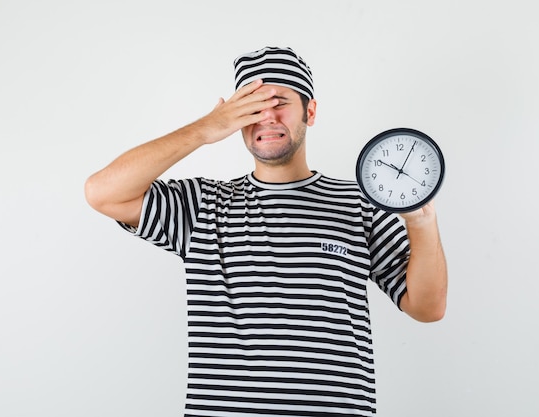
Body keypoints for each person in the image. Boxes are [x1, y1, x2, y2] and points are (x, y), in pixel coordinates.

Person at [85, 46, 447, 417]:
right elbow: (103, 192)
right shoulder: (202, 205)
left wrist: (420, 220)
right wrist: (204, 129)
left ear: (310, 111)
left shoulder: (359, 203)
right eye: (251, 107)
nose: (266, 117)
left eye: (279, 102)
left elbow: (427, 307)